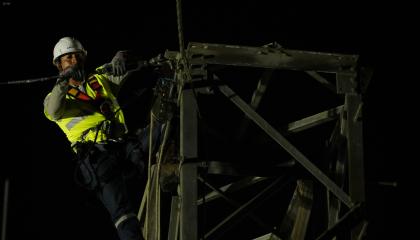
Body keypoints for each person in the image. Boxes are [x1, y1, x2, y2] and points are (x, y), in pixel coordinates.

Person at [43, 36, 171, 240]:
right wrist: (64, 80)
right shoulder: (55, 98)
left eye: (77, 56)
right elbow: (54, 109)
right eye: (68, 58)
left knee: (164, 123)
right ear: (59, 65)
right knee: (123, 214)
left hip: (126, 146)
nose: (74, 61)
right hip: (97, 158)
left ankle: (169, 166)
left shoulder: (100, 79)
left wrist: (122, 55)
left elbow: (128, 65)